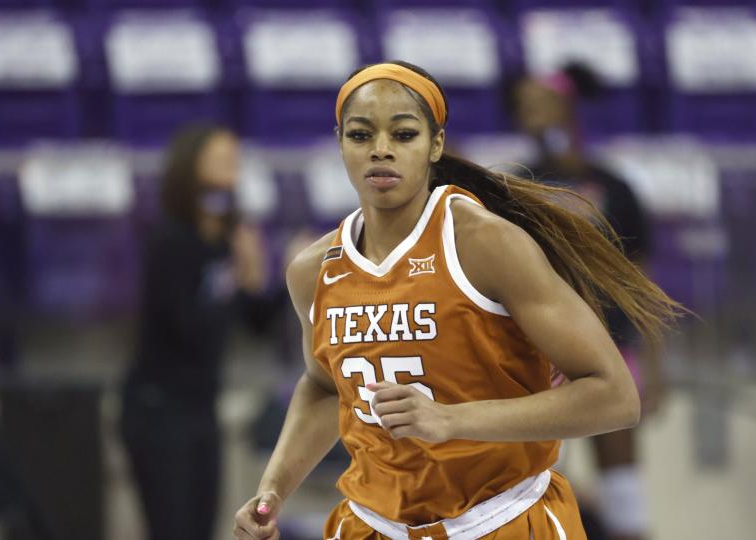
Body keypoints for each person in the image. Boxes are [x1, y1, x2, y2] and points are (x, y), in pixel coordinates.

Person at [233, 61, 681, 540]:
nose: (381, 150)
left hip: (501, 518)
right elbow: (325, 387)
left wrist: (451, 419)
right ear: (340, 143)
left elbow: (615, 395)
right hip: (371, 524)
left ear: (435, 144)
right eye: (361, 135)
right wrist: (274, 489)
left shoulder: (483, 242)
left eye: (403, 135)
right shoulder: (313, 269)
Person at [511, 64, 662, 540]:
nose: (530, 113)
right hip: (541, 355)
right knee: (535, 485)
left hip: (610, 347)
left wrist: (656, 366)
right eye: (523, 106)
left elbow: (642, 280)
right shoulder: (515, 187)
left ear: (567, 107)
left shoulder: (614, 186)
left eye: (539, 102)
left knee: (623, 489)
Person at [121, 125, 268, 540]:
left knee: (202, 527)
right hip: (157, 411)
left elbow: (255, 324)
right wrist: (237, 279)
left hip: (202, 408)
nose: (229, 174)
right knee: (171, 529)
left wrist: (262, 277)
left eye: (234, 163)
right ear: (191, 171)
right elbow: (187, 327)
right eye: (220, 162)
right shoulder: (169, 240)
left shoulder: (227, 238)